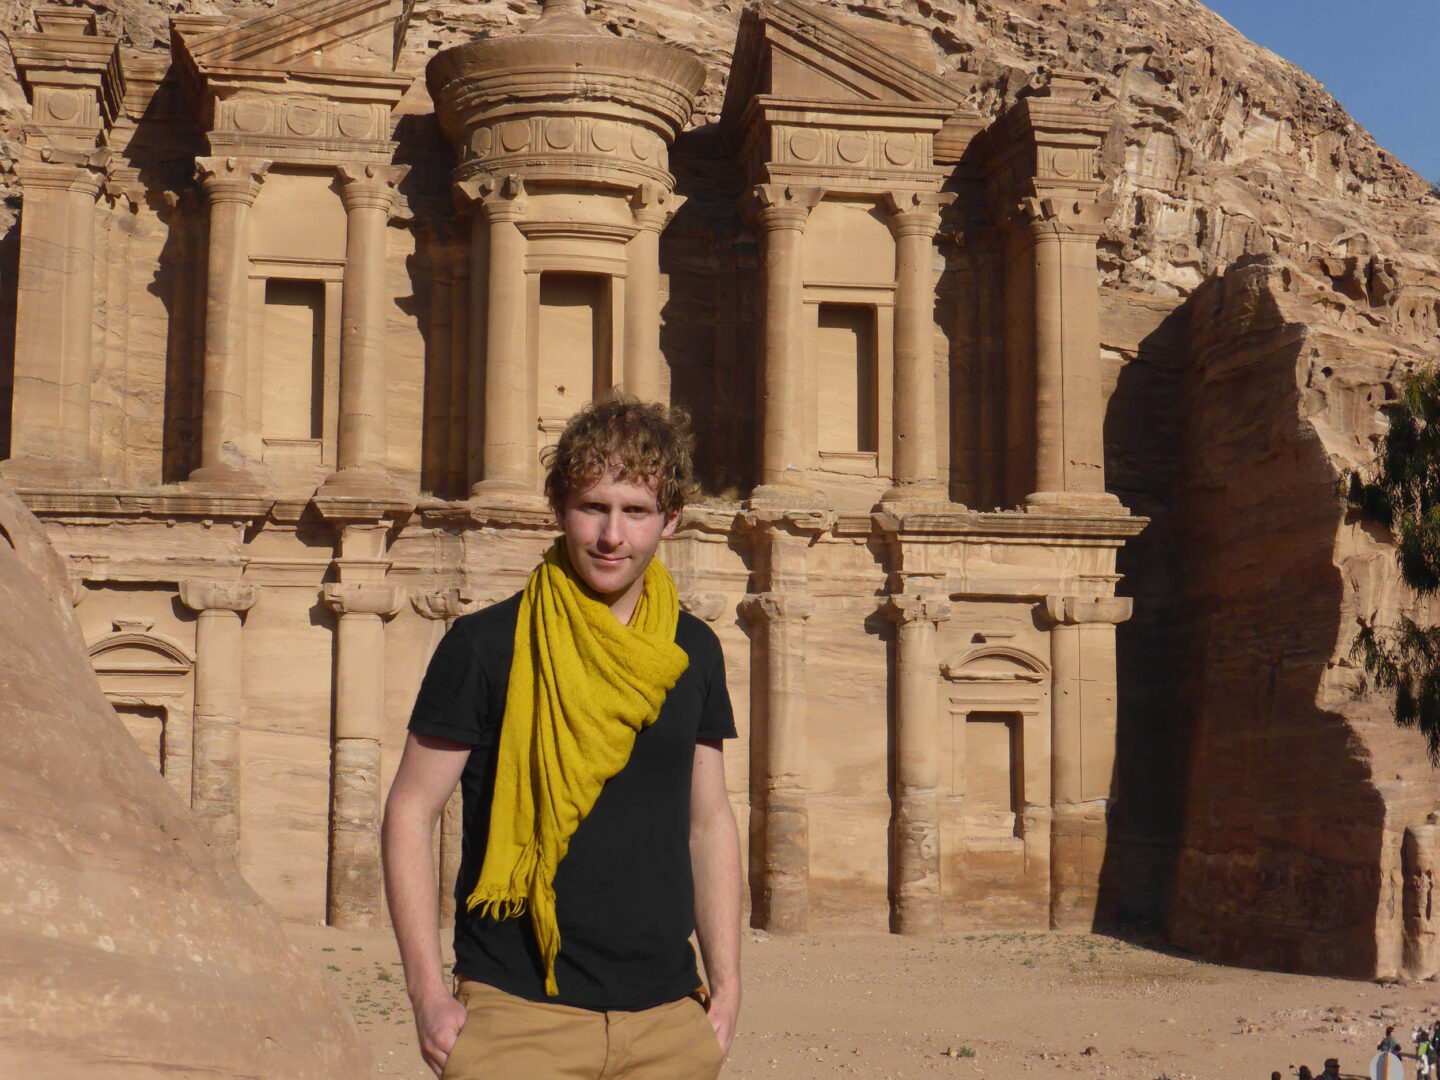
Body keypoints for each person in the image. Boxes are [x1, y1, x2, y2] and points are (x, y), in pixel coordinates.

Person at [382, 395, 742, 1079]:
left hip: (668, 1022)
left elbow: (709, 821)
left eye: (634, 511)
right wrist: (427, 995)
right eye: (592, 507)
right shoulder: (486, 645)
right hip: (517, 1018)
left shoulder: (692, 650)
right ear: (558, 510)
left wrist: (726, 992)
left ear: (670, 522)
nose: (612, 536)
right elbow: (410, 810)